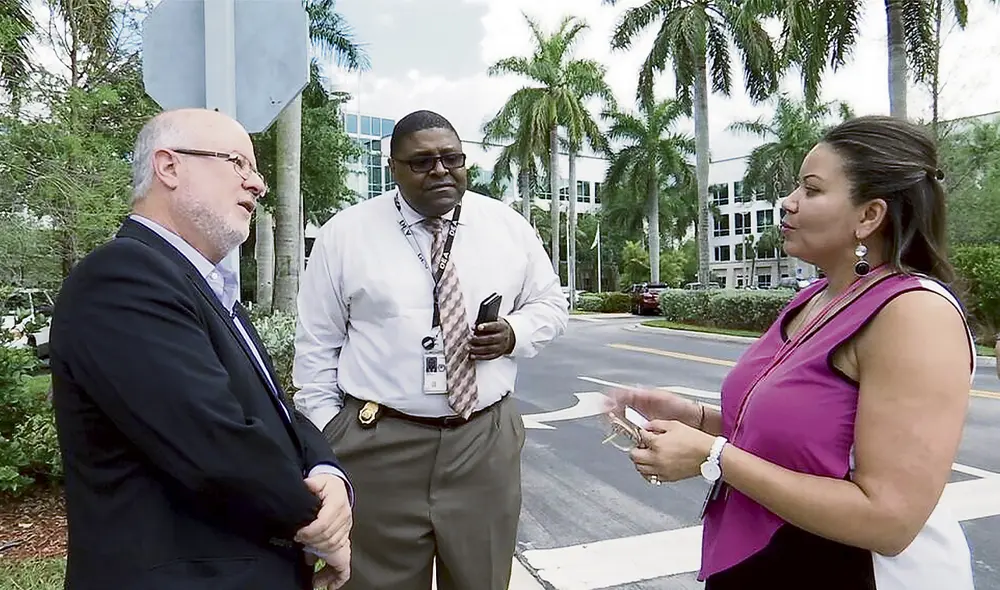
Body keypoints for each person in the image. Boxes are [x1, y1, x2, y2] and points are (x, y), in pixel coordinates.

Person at [610, 116, 976, 589]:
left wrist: (713, 456)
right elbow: (805, 443)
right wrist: (697, 419)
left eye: (812, 189)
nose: (788, 201)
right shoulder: (815, 299)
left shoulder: (914, 313)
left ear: (869, 216)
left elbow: (889, 520)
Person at [49, 108, 353, 590]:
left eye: (256, 170)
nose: (257, 184)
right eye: (238, 162)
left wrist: (328, 473)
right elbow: (218, 445)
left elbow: (275, 411)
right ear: (169, 167)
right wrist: (322, 528)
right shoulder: (123, 279)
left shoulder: (202, 287)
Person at [292, 109, 568, 590]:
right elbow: (317, 347)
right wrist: (330, 436)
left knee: (482, 580)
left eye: (451, 158)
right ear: (393, 168)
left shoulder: (507, 226)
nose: (440, 171)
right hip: (378, 443)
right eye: (421, 162)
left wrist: (514, 332)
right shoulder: (346, 234)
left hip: (483, 441)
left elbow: (550, 303)